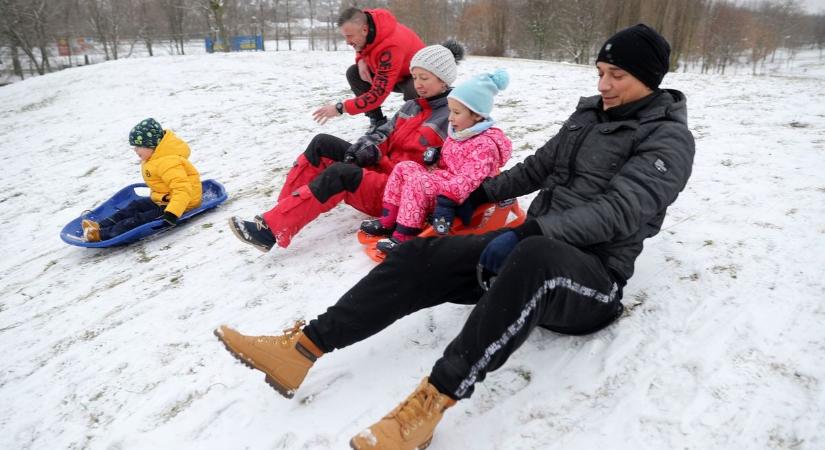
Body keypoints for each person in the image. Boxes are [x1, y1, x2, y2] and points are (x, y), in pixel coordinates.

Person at [216, 24, 695, 450]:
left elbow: (621, 211)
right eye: (600, 71)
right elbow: (538, 168)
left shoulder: (668, 140)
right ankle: (301, 349)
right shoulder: (589, 115)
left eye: (617, 75)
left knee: (536, 258)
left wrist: (532, 230)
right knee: (424, 251)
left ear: (649, 79)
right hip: (532, 246)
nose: (603, 84)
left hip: (590, 278)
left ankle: (429, 405)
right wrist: (477, 195)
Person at [228, 43, 464, 252]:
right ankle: (284, 210)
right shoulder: (412, 106)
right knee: (322, 143)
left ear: (444, 79)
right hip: (384, 171)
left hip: (400, 193)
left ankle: (269, 232)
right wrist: (364, 149)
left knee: (340, 174)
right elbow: (383, 133)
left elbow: (459, 168)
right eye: (415, 77)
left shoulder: (455, 117)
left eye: (425, 78)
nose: (418, 84)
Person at [360, 68, 513, 253]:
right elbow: (456, 154)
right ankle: (389, 219)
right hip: (444, 180)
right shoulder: (461, 132)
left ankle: (404, 236)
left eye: (456, 112)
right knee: (403, 168)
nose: (450, 118)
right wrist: (438, 152)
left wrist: (447, 203)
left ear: (477, 115)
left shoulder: (485, 146)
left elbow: (467, 180)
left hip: (456, 195)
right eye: (450, 111)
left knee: (418, 181)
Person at [82, 118, 202, 242]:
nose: (135, 150)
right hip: (163, 200)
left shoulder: (168, 162)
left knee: (139, 219)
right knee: (136, 206)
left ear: (150, 145)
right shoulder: (155, 158)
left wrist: (172, 213)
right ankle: (99, 225)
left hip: (180, 205)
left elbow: (182, 189)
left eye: (138, 146)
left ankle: (100, 234)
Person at [312, 7, 425, 131]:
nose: (347, 42)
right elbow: (361, 46)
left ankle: (417, 122)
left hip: (413, 77)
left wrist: (340, 108)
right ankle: (377, 121)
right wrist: (360, 59)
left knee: (415, 87)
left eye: (349, 36)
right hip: (394, 74)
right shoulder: (369, 25)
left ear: (365, 30)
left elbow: (377, 94)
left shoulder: (391, 47)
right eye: (345, 36)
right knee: (353, 73)